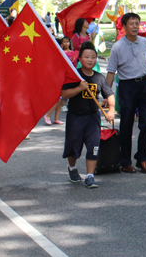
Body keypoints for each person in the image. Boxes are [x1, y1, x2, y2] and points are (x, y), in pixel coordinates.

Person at [106, 13, 146, 174]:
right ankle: (125, 161)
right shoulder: (117, 47)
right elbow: (110, 72)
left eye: (137, 23)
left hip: (145, 85)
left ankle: (141, 158)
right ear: (124, 27)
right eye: (132, 23)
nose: (135, 26)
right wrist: (107, 94)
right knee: (127, 124)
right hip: (127, 87)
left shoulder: (145, 42)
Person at [61, 41, 115, 188]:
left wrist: (111, 109)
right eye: (87, 57)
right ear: (80, 58)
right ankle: (72, 168)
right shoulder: (74, 76)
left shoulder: (99, 78)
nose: (90, 60)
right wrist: (79, 88)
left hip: (93, 118)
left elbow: (109, 94)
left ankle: (90, 176)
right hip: (75, 117)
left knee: (94, 146)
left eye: (93, 57)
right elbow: (64, 94)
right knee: (74, 147)